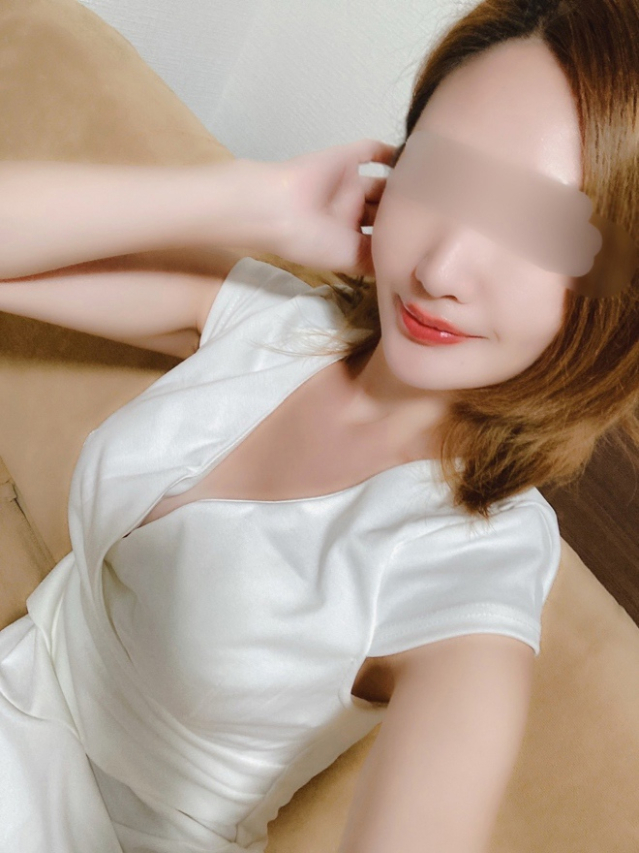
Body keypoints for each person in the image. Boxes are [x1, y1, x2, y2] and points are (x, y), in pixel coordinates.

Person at [0, 1, 637, 852]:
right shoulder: (279, 326)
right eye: (438, 175)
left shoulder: (472, 567)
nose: (441, 267)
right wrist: (254, 198)